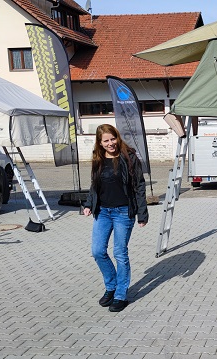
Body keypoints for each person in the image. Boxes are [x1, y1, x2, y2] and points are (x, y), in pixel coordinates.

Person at [82, 124, 148, 312]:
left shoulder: (130, 157)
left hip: (123, 212)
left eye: (113, 139)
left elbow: (139, 186)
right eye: (106, 141)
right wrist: (88, 204)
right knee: (97, 251)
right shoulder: (98, 158)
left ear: (117, 137)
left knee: (120, 253)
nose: (110, 143)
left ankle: (120, 295)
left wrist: (142, 213)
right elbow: (94, 185)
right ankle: (111, 286)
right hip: (102, 211)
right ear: (100, 143)